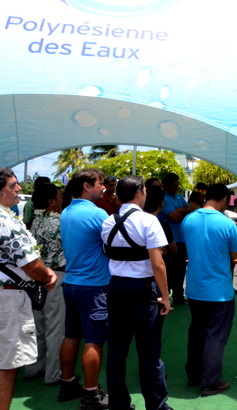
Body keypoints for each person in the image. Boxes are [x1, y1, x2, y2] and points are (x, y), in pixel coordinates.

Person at [101, 175, 171, 410]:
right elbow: (158, 264)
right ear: (140, 192)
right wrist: (166, 297)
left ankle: (119, 405)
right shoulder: (149, 221)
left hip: (117, 287)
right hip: (143, 290)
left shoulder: (108, 222)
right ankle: (156, 405)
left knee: (117, 352)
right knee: (149, 352)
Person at [0, 167, 57, 410]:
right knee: (7, 362)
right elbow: (30, 263)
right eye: (14, 186)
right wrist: (47, 275)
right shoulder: (4, 220)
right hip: (8, 297)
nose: (19, 189)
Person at [58, 168, 111, 408]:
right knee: (94, 339)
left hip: (72, 283)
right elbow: (116, 242)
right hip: (94, 286)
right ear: (86, 186)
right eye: (100, 183)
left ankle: (68, 382)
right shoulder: (97, 213)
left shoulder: (67, 211)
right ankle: (91, 393)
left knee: (71, 335)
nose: (104, 187)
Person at [183, 183, 237, 396]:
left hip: (195, 288)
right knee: (215, 337)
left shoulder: (188, 220)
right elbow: (234, 255)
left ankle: (193, 374)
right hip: (219, 290)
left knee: (196, 332)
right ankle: (210, 381)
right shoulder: (227, 224)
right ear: (225, 199)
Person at [25, 183, 66, 386]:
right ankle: (54, 373)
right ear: (51, 201)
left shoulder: (32, 222)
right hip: (57, 276)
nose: (61, 200)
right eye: (59, 197)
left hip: (35, 277)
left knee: (38, 326)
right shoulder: (60, 222)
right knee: (56, 327)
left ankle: (33, 367)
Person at [159, 173, 192, 306]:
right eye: (173, 185)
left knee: (180, 269)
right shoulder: (164, 199)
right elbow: (174, 217)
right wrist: (183, 210)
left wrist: (181, 210)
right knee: (169, 269)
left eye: (177, 185)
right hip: (168, 241)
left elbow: (191, 209)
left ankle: (179, 296)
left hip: (181, 240)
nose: (176, 188)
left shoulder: (178, 197)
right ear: (165, 185)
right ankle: (166, 296)